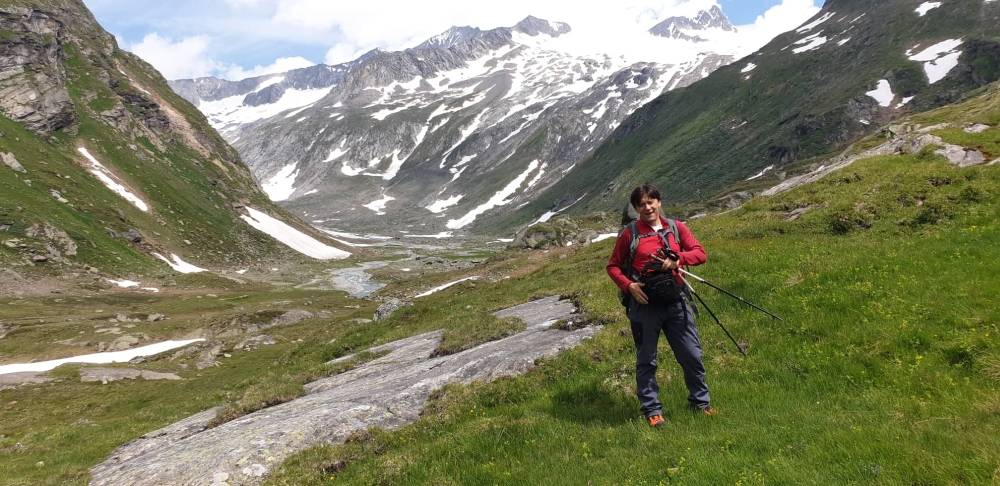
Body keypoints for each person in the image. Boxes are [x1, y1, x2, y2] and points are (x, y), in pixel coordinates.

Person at [606, 183, 717, 428]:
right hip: (644, 305)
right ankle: (652, 410)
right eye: (641, 204)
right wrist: (629, 286)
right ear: (636, 208)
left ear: (659, 202)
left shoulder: (676, 228)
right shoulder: (629, 234)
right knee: (647, 360)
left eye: (651, 202)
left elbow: (700, 254)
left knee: (691, 354)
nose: (647, 207)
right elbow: (613, 266)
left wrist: (679, 259)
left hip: (677, 301)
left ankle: (700, 403)